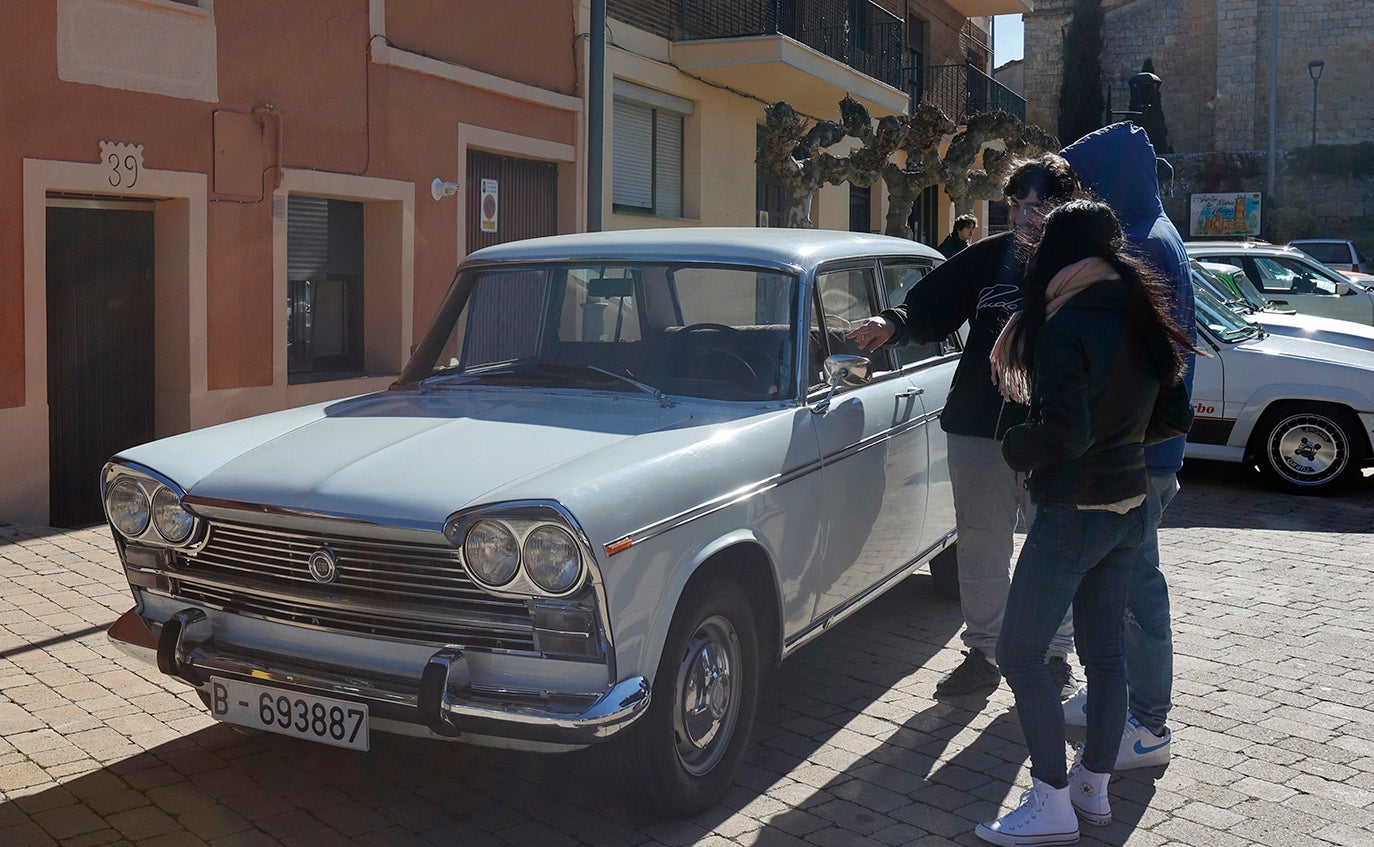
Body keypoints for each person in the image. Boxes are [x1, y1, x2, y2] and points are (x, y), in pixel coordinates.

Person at [975, 200, 1197, 846]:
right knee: (1105, 655)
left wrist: (1015, 445)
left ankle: (1049, 800)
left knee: (1018, 649)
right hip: (1128, 508)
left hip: (1073, 510)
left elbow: (1065, 433)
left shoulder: (1066, 322)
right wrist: (1121, 442)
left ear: (1060, 254)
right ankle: (1090, 789)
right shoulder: (1139, 312)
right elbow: (1175, 415)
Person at [847, 155, 1082, 699]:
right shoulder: (988, 259)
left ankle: (1053, 657)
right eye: (1018, 205)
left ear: (1066, 204)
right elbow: (931, 304)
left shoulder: (1085, 267)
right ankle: (984, 653)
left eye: (1039, 205)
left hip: (1056, 435)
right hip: (979, 428)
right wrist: (892, 323)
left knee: (1054, 548)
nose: (1026, 217)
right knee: (980, 546)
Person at [1058, 122, 1196, 771]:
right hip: (1141, 446)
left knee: (1139, 586)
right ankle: (1119, 696)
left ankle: (1149, 721)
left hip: (1140, 451)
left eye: (1089, 186)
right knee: (1116, 578)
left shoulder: (1143, 243)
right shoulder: (1150, 232)